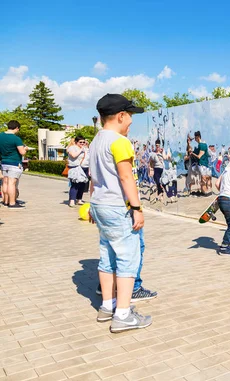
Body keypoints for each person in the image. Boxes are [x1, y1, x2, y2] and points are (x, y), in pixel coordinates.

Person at [88, 93, 151, 333]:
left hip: (100, 204)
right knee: (127, 258)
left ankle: (107, 305)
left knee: (107, 255)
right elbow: (126, 177)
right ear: (121, 116)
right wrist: (136, 208)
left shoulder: (96, 141)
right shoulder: (119, 142)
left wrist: (92, 204)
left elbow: (94, 177)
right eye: (130, 116)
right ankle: (123, 315)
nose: (131, 122)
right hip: (118, 207)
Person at [0, 120, 29, 209]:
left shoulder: (1, 136)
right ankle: (12, 202)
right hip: (14, 162)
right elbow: (22, 152)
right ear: (16, 128)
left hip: (4, 162)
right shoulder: (16, 139)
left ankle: (5, 200)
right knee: (12, 183)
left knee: (5, 182)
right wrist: (26, 148)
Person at [67, 136, 89, 207]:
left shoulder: (85, 148)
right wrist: (81, 150)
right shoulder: (72, 148)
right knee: (75, 185)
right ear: (76, 142)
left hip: (84, 167)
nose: (82, 143)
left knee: (82, 185)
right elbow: (73, 155)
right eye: (80, 142)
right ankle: (72, 200)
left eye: (83, 142)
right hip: (75, 168)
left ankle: (79, 199)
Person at [191, 131, 212, 195]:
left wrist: (192, 153)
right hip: (205, 164)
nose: (194, 139)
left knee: (203, 178)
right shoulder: (204, 144)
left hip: (201, 164)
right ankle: (204, 191)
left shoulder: (201, 145)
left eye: (195, 138)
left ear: (197, 137)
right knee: (204, 178)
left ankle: (204, 192)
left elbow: (199, 156)